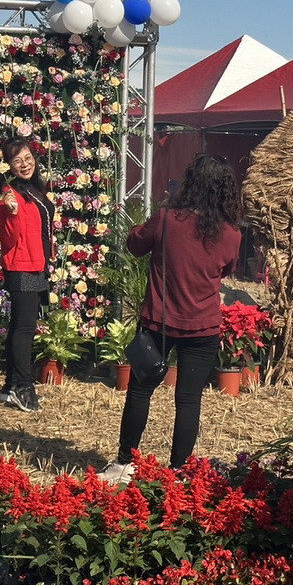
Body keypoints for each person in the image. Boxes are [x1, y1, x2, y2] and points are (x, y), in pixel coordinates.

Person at [99, 154, 243, 485]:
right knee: (189, 400)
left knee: (139, 391)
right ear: (225, 193)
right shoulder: (231, 233)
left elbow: (134, 244)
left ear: (189, 184)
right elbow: (226, 269)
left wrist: (162, 210)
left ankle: (125, 463)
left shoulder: (166, 219)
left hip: (157, 324)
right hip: (203, 326)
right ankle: (178, 471)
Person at [0, 137, 54, 413]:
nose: (25, 163)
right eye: (17, 160)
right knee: (25, 328)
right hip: (22, 267)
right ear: (8, 165)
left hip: (37, 265)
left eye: (28, 157)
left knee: (20, 323)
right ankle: (23, 386)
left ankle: (10, 386)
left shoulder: (33, 189)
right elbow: (10, 238)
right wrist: (12, 212)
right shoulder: (10, 195)